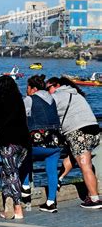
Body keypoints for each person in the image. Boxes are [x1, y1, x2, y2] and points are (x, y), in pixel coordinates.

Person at [46, 76, 101, 209]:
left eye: (48, 88)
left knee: (85, 165)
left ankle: (94, 200)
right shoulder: (76, 94)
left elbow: (47, 113)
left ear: (57, 86)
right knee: (74, 155)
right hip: (94, 130)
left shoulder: (58, 96)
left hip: (78, 133)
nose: (48, 91)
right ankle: (59, 179)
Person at [0, 75, 29, 219]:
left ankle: (18, 208)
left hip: (7, 143)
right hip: (23, 143)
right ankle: (8, 200)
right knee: (6, 173)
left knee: (11, 174)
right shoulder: (19, 99)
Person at [21, 75, 62, 213]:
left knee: (24, 153)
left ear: (34, 89)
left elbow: (23, 118)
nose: (26, 90)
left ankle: (25, 187)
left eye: (27, 87)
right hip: (55, 142)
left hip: (38, 142)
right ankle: (51, 202)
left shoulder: (29, 99)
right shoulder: (53, 99)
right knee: (52, 171)